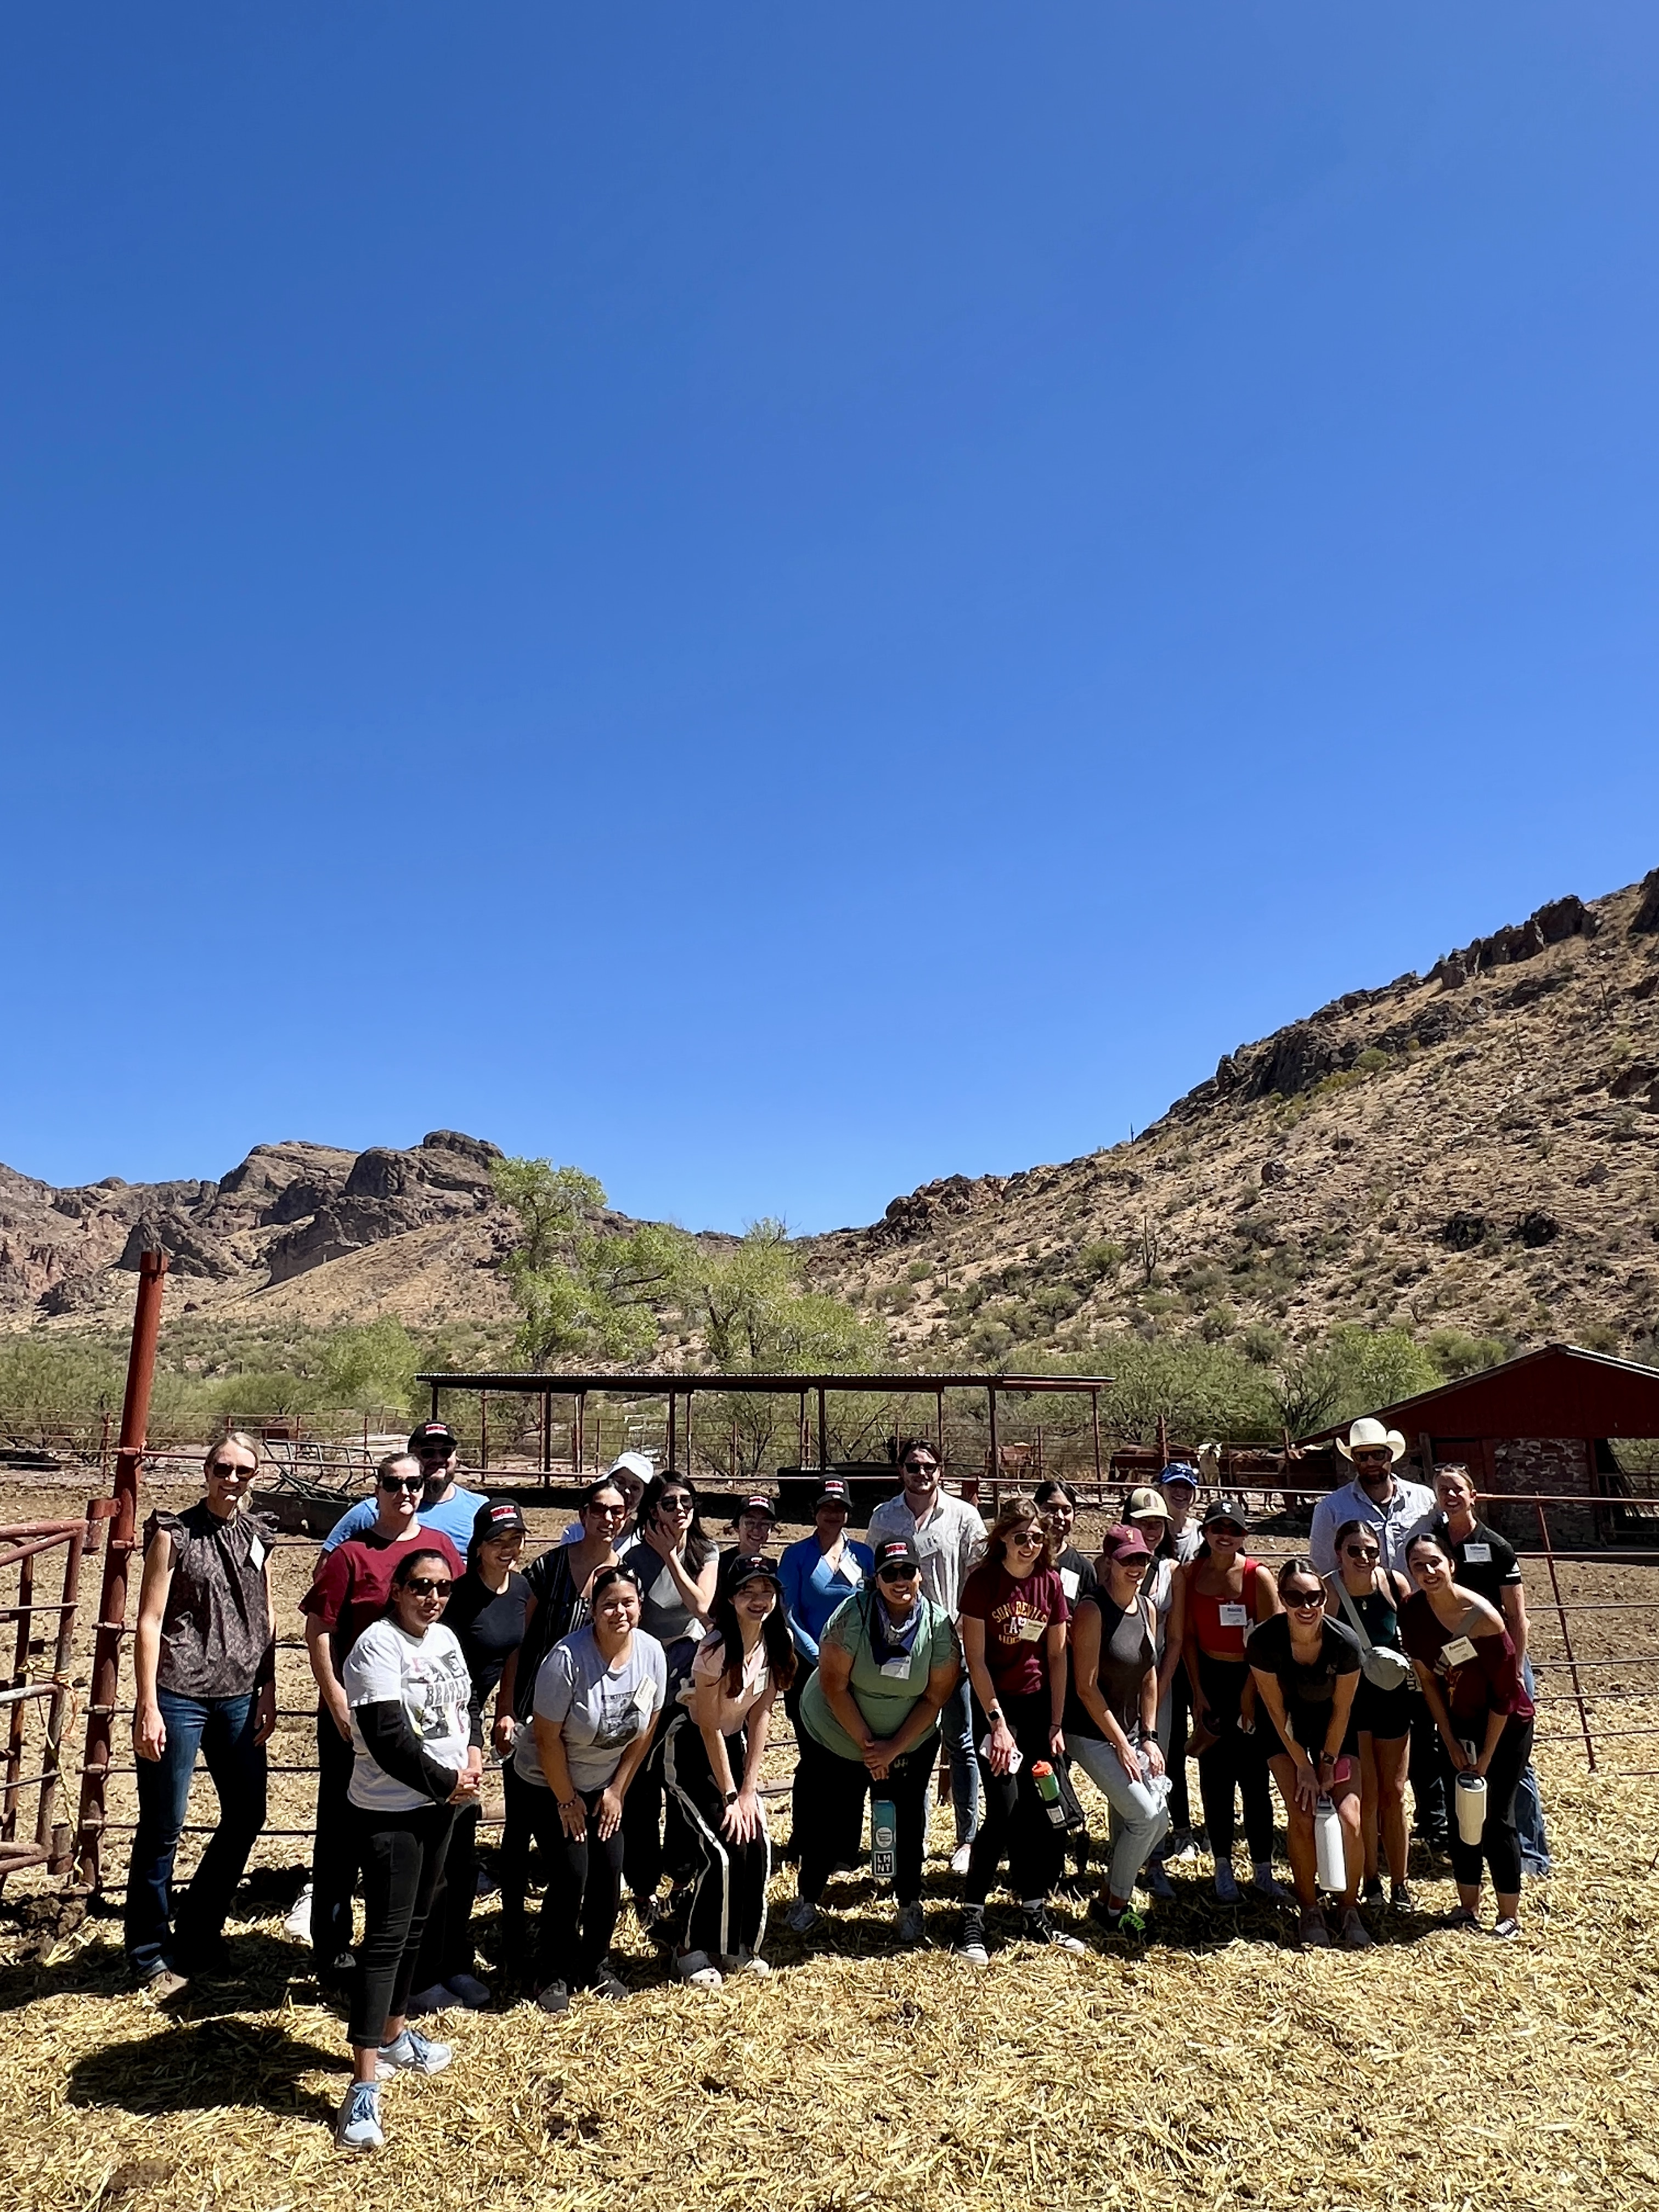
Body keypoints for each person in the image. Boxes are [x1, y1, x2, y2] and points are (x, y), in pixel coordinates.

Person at [333, 1547, 479, 2153]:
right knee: (388, 1937)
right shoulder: (377, 1646)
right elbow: (387, 1737)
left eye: (443, 1588)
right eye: (421, 1586)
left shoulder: (444, 1637)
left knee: (417, 1926)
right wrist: (447, 1783)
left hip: (442, 1803)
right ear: (397, 1590)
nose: (433, 1598)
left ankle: (394, 2033)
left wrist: (467, 1760)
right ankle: (363, 2085)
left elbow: (460, 1707)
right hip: (392, 1810)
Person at [301, 1455, 465, 1986]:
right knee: (342, 1829)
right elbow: (320, 1627)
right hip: (359, 1714)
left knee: (419, 1825)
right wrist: (335, 1697)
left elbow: (452, 1620)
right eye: (393, 1483)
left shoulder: (438, 1550)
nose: (405, 1492)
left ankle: (399, 1951)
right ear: (377, 1490)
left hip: (424, 1713)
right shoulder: (351, 1554)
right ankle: (333, 1946)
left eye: (414, 1484)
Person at [125, 1434, 276, 1997]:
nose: (232, 1479)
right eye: (223, 1468)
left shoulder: (258, 1536)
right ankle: (147, 1951)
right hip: (180, 1692)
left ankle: (197, 1931)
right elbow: (149, 1619)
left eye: (243, 1471)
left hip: (239, 1694)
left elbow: (264, 1617)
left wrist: (269, 1686)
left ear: (254, 1476)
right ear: (206, 1470)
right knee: (164, 1824)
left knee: (246, 1814)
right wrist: (147, 1703)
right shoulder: (175, 1532)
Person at [785, 1535, 961, 1947]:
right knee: (828, 1817)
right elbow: (834, 1686)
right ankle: (808, 1898)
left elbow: (936, 1697)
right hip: (838, 1732)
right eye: (890, 1573)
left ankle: (908, 1902)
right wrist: (870, 1748)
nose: (900, 1580)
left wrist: (892, 1749)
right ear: (876, 1579)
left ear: (919, 1575)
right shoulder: (851, 1616)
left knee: (908, 1823)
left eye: (907, 1571)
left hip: (909, 1739)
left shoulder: (937, 1626)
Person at [515, 1563, 668, 2011]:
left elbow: (648, 1725)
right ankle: (553, 1972)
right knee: (571, 1872)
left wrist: (617, 1789)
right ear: (592, 1610)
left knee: (609, 1870)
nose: (619, 1612)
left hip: (605, 1781)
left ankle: (596, 1962)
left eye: (628, 1603)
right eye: (608, 1605)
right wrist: (567, 1800)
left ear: (640, 1605)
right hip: (549, 1779)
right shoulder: (566, 1660)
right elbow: (546, 1739)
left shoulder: (651, 1652)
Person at [492, 1477, 625, 1957]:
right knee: (519, 1827)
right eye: (598, 1509)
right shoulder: (550, 1567)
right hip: (532, 1713)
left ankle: (566, 1929)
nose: (607, 1519)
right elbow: (517, 1639)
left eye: (617, 1510)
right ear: (583, 1514)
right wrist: (506, 1707)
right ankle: (511, 1927)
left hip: (586, 1724)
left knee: (568, 1832)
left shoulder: (621, 1579)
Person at [406, 1499, 530, 2013]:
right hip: (445, 1723)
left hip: (477, 1725)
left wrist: (504, 1712)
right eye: (498, 1542)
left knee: (460, 1854)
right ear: (477, 1547)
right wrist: (469, 1740)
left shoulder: (521, 1590)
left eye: (516, 1541)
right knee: (433, 1853)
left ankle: (454, 1961)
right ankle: (419, 1972)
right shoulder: (456, 1599)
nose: (508, 1551)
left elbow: (513, 1652)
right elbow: (438, 1671)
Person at [953, 1494, 1086, 1963]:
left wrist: (1056, 1723)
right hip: (996, 1707)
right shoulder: (983, 1583)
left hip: (1036, 1709)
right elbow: (977, 1660)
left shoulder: (1050, 1583)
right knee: (1004, 1812)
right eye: (1020, 1538)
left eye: (1036, 1538)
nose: (1029, 1546)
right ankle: (972, 1916)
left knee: (1036, 1813)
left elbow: (1056, 1656)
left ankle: (1034, 1911)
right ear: (1002, 1539)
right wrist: (998, 1725)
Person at [662, 1556, 794, 1985]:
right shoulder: (715, 1647)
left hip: (732, 1744)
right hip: (692, 1746)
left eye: (766, 1592)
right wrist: (730, 1795)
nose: (758, 1601)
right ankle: (687, 1946)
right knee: (719, 1849)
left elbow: (761, 1715)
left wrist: (750, 1791)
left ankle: (737, 1946)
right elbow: (706, 1723)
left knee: (755, 1843)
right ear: (732, 1599)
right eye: (747, 1593)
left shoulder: (776, 1639)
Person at [1415, 1464, 1550, 1876]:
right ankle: (1467, 1842)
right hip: (1453, 1667)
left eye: (1458, 1489)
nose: (1450, 1496)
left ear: (1474, 1495)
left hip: (1497, 1661)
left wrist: (1514, 1670)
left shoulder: (1495, 1547)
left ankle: (1530, 1851)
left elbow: (1516, 1616)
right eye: (1443, 1490)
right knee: (1457, 1748)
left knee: (1513, 1758)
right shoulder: (1433, 1545)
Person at [1400, 1531, 1535, 1939]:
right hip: (1458, 1721)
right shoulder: (1413, 1610)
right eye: (1418, 1565)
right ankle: (1467, 1906)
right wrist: (1451, 1739)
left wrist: (1485, 1757)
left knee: (1495, 1817)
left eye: (1434, 1562)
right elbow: (1427, 1679)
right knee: (1463, 1817)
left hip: (1504, 1725)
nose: (1428, 1571)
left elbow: (1505, 1695)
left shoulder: (1486, 1619)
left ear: (1452, 1565)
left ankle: (1508, 1914)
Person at [868, 1439, 985, 1874]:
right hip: (901, 1646)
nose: (922, 1473)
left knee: (962, 1743)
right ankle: (905, 1840)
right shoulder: (884, 1518)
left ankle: (967, 1838)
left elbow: (978, 1575)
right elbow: (873, 1579)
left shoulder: (964, 1517)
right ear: (901, 1471)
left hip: (952, 1640)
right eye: (914, 1466)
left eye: (929, 1466)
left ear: (942, 1470)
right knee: (909, 1746)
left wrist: (963, 1629)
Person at [1247, 1558, 1369, 1950]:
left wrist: (1327, 1763)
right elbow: (1275, 1711)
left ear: (1324, 1597)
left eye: (1314, 1596)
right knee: (1301, 1814)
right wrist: (1304, 1766)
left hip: (1334, 1729)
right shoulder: (1264, 1642)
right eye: (1295, 1596)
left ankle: (1348, 1907)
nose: (1306, 1605)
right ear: (1281, 1599)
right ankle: (1309, 1907)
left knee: (1350, 1818)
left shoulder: (1345, 1643)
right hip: (1286, 1733)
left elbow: (1343, 1710)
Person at [618, 1472, 721, 1927]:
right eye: (670, 1502)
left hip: (687, 1680)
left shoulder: (706, 1552)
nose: (680, 1509)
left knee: (685, 1781)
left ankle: (681, 1879)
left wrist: (672, 1559)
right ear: (653, 1510)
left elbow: (704, 1608)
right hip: (642, 1678)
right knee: (640, 1786)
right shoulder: (632, 1557)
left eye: (687, 1501)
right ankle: (642, 1887)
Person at [1179, 1497, 1288, 1906]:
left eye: (1235, 1530)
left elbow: (1271, 1640)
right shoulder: (1191, 1575)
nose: (1225, 1536)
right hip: (1211, 1678)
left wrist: (1250, 1694)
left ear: (1245, 1536)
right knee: (1215, 1778)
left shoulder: (1257, 1576)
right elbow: (1188, 1638)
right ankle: (1222, 1865)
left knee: (1256, 1780)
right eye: (1217, 1528)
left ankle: (1263, 1869)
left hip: (1254, 1680)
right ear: (1206, 1533)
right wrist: (1198, 1693)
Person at [1064, 1524, 1170, 1934]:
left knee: (1158, 1821)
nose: (1137, 1566)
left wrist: (1149, 1736)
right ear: (1108, 1563)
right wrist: (1122, 1744)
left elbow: (1149, 1676)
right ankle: (1115, 1908)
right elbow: (1085, 1688)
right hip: (1089, 1733)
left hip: (1129, 1733)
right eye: (1128, 1559)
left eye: (1143, 1559)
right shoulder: (1091, 1610)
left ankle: (1109, 1892)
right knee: (1145, 1818)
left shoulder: (1147, 1608)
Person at [777, 1477, 874, 1863]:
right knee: (814, 1760)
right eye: (826, 1507)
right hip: (808, 1671)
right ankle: (805, 1843)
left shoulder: (864, 1556)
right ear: (814, 1512)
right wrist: (818, 1656)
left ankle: (845, 1848)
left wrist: (851, 1663)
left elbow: (871, 1608)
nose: (832, 1514)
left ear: (849, 1512)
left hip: (856, 1674)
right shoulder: (796, 1556)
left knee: (853, 1762)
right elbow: (788, 1612)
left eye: (840, 1508)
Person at [1323, 1519, 1414, 1909]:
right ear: (1338, 1552)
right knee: (1369, 1794)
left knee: (1395, 1793)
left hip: (1393, 1699)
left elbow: (1412, 1636)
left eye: (1371, 1551)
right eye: (1354, 1551)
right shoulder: (1328, 1591)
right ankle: (1371, 1880)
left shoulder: (1395, 1585)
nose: (1363, 1558)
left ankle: (1401, 1883)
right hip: (1351, 1703)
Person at [1121, 1486, 1187, 1899]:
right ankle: (1123, 1856)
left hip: (1157, 1677)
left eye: (1158, 1524)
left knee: (1157, 1768)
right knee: (1122, 1772)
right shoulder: (1106, 1564)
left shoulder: (1171, 1572)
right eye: (1143, 1522)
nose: (1152, 1530)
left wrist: (1159, 1690)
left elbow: (1176, 1638)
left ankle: (1156, 1858)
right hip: (1118, 1681)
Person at [322, 1421, 481, 1557]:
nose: (438, 1459)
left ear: (455, 1457)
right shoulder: (372, 1512)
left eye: (446, 1451)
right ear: (411, 1457)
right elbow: (328, 1570)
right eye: (428, 1452)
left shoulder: (480, 1508)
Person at [1309, 1419, 1436, 1582]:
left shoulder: (1425, 1499)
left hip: (1420, 1601)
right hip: (1361, 1604)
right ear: (1354, 1460)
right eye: (1362, 1456)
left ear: (1390, 1455)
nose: (1371, 1462)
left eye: (1378, 1455)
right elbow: (1323, 1570)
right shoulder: (1330, 1509)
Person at [560, 1452, 651, 1546]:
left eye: (635, 1488)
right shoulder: (575, 1535)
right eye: (620, 1482)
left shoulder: (647, 1538)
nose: (627, 1491)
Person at [719, 1494, 781, 1590]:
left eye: (765, 1524)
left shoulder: (770, 1567)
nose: (756, 1530)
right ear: (737, 1527)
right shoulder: (719, 1565)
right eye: (750, 1523)